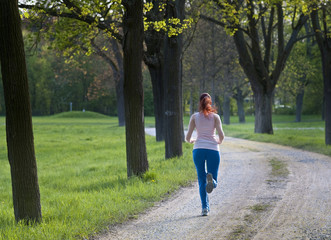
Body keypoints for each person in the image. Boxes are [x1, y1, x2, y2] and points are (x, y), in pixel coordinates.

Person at [185, 93, 225, 216]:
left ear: (199, 102)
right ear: (210, 102)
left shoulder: (194, 117)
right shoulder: (215, 117)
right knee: (213, 179)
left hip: (198, 150)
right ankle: (212, 180)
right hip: (213, 149)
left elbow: (187, 137)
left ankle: (205, 208)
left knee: (201, 180)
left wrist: (192, 140)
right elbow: (221, 135)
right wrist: (218, 142)